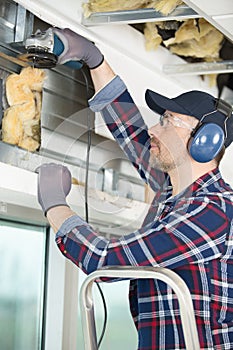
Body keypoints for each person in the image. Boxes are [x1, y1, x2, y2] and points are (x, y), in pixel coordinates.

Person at [36, 28, 233, 349]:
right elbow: (134, 133)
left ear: (205, 142)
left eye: (167, 120)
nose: (154, 128)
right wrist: (94, 59)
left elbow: (104, 260)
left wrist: (55, 205)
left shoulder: (213, 212)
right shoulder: (175, 193)